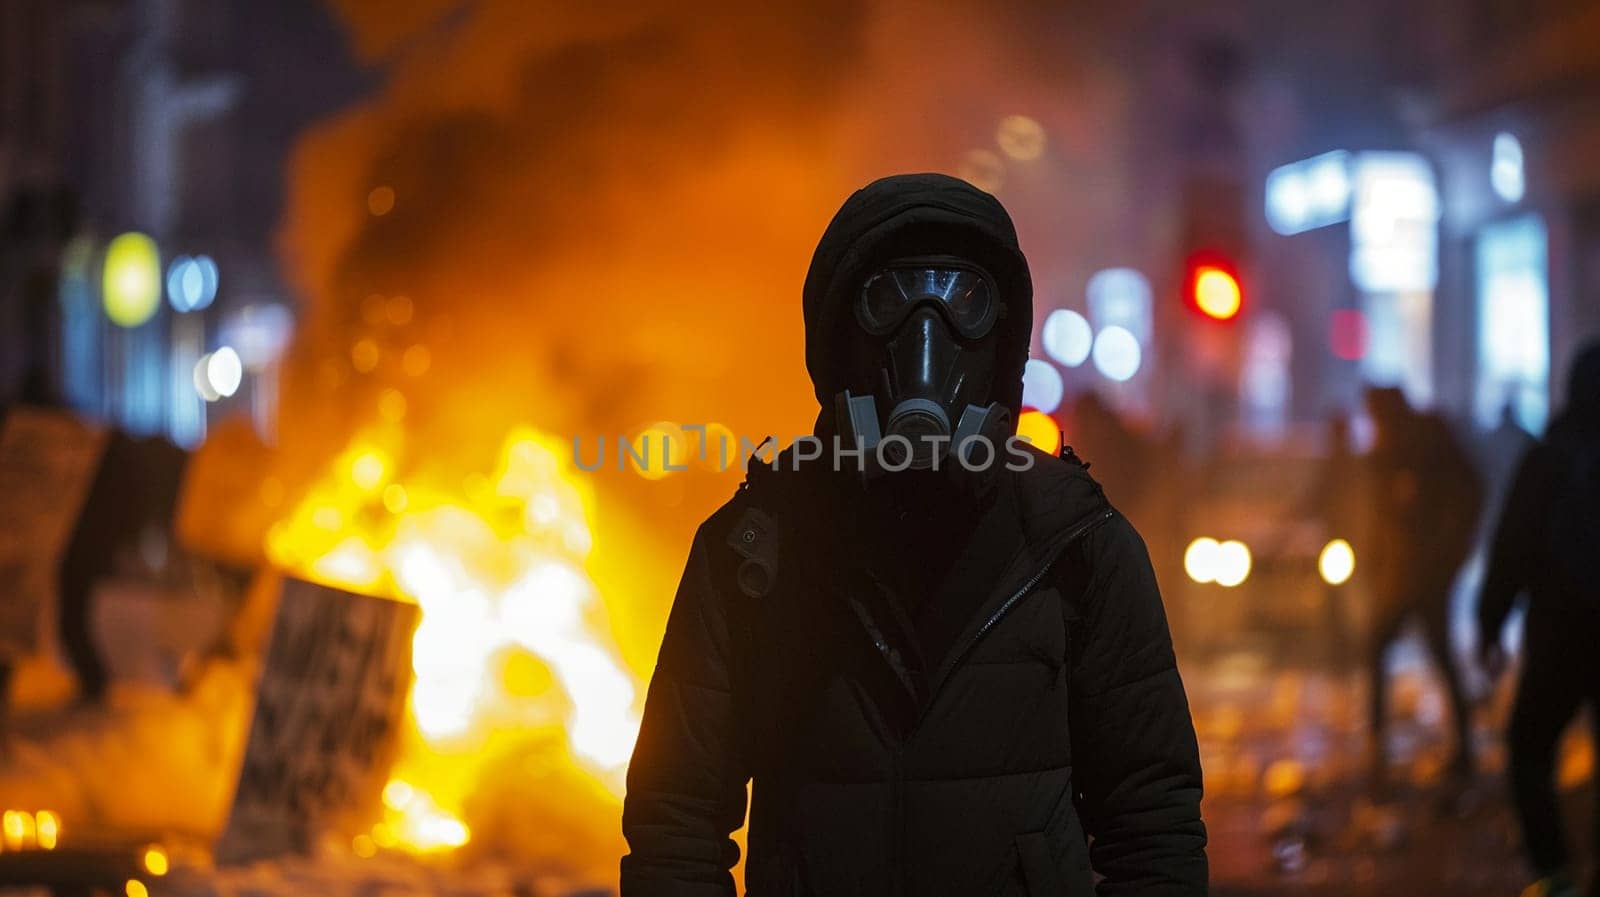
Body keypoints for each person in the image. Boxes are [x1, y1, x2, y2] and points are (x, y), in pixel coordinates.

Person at [621, 174, 1207, 896]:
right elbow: (675, 821)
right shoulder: (757, 553)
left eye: (966, 303)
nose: (926, 337)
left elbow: (1152, 825)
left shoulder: (1077, 545)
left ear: (1003, 344)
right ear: (838, 341)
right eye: (885, 301)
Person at [1477, 341, 1600, 897]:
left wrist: (1490, 624)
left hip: (1559, 635)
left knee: (1528, 750)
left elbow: (1513, 545)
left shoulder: (1550, 457)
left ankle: (1554, 875)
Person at [1361, 386, 1483, 789]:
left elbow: (1469, 490)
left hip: (1427, 572)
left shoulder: (1428, 438)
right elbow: (1382, 508)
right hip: (1406, 570)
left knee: (1434, 653)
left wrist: (1451, 552)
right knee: (1386, 647)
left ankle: (1462, 749)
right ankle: (1381, 745)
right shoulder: (1392, 445)